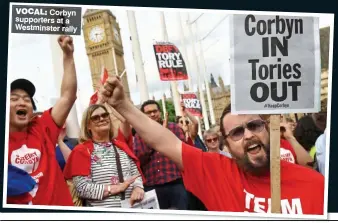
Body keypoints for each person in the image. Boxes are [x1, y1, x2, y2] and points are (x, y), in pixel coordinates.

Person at [99, 77, 324, 214]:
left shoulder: (316, 185)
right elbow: (162, 140)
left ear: (266, 127)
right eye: (236, 132)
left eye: (254, 125)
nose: (247, 135)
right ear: (226, 144)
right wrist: (123, 105)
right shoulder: (217, 172)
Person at [7, 35, 77, 206]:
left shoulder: (42, 127)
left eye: (26, 99)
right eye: (14, 98)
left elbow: (68, 96)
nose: (22, 102)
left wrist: (68, 55)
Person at [64, 103, 145, 207]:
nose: (102, 119)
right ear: (88, 125)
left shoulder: (121, 146)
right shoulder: (81, 151)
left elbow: (135, 174)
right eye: (95, 118)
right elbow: (82, 188)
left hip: (132, 210)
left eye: (105, 115)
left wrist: (138, 188)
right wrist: (115, 188)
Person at [133, 100, 188, 210]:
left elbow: (183, 152)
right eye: (148, 112)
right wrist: (154, 140)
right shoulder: (140, 134)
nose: (152, 114)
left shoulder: (174, 128)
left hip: (175, 182)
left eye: (155, 111)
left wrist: (164, 133)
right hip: (153, 186)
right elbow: (140, 158)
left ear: (160, 112)